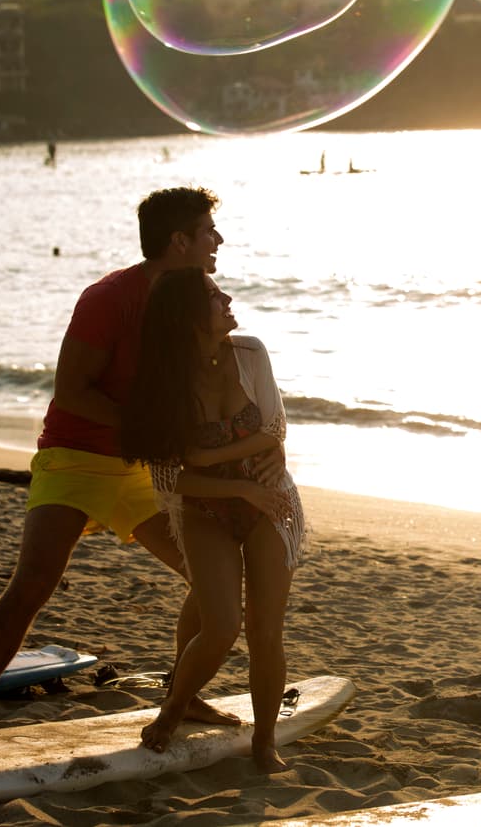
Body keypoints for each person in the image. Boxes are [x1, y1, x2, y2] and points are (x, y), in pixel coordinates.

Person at [0, 187, 281, 764]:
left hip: (147, 468)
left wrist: (266, 448)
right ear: (179, 241)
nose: (218, 240)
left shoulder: (195, 301)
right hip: (76, 458)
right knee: (32, 586)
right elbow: (71, 390)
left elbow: (220, 391)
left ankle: (184, 694)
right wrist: (147, 431)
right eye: (207, 231)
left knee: (207, 579)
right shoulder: (110, 298)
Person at [121, 267, 305, 774]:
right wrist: (239, 481)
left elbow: (275, 427)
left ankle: (264, 743)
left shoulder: (250, 353)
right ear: (185, 314)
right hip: (204, 510)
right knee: (221, 626)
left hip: (272, 503)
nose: (226, 297)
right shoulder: (167, 381)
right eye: (211, 295)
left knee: (266, 631)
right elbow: (168, 481)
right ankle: (174, 708)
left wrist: (205, 458)